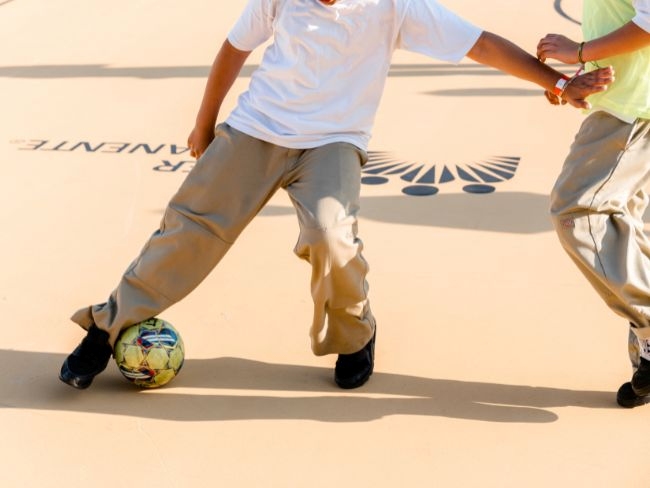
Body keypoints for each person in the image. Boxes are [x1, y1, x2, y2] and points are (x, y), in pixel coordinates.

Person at [59, 0, 612, 390]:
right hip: (256, 128)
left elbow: (482, 44)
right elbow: (233, 49)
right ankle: (107, 329)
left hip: (333, 140)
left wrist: (558, 84)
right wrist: (204, 124)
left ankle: (354, 335)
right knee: (190, 229)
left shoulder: (395, 6)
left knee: (331, 237)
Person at [537, 0, 650, 407]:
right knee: (629, 227)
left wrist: (580, 51)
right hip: (630, 104)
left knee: (576, 210)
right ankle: (646, 356)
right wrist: (576, 79)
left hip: (631, 112)